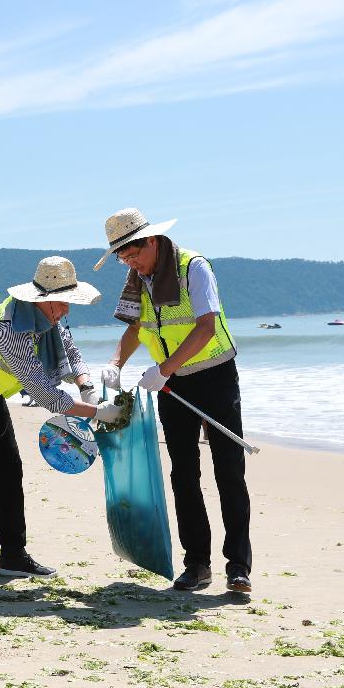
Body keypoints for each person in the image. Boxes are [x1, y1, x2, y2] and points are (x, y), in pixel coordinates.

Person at [0, 256, 123, 589]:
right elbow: (47, 396)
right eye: (63, 303)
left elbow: (70, 353)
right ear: (41, 300)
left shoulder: (48, 320)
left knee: (9, 470)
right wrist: (98, 413)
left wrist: (88, 389)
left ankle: (13, 557)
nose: (68, 311)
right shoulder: (4, 328)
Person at [93, 208, 252, 594]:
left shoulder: (193, 267)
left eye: (133, 255)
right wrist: (116, 362)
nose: (130, 264)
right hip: (173, 385)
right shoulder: (138, 279)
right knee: (183, 474)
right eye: (123, 259)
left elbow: (206, 327)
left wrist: (164, 367)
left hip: (214, 375)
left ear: (151, 241)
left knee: (228, 470)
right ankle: (197, 564)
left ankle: (238, 567)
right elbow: (136, 327)